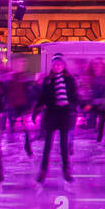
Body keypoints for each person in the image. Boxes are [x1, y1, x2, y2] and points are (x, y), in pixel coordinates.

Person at [33, 54, 79, 184]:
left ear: (63, 66)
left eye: (59, 64)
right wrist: (36, 110)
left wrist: (74, 107)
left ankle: (66, 170)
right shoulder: (48, 80)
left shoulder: (70, 80)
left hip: (64, 114)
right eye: (54, 65)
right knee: (47, 145)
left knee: (64, 144)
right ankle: (43, 170)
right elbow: (43, 97)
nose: (56, 67)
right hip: (52, 114)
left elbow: (74, 96)